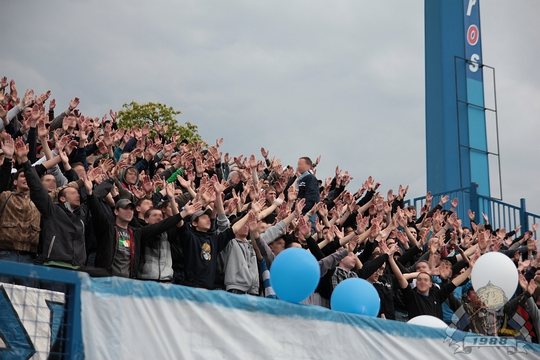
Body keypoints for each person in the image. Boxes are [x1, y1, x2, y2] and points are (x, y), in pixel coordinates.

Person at [388, 250, 473, 320]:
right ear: (416, 283)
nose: (422, 282)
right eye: (419, 279)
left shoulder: (437, 295)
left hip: (435, 335)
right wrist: (391, 259)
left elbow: (454, 283)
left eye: (425, 280)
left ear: (430, 284)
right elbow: (401, 278)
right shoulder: (411, 295)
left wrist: (470, 269)